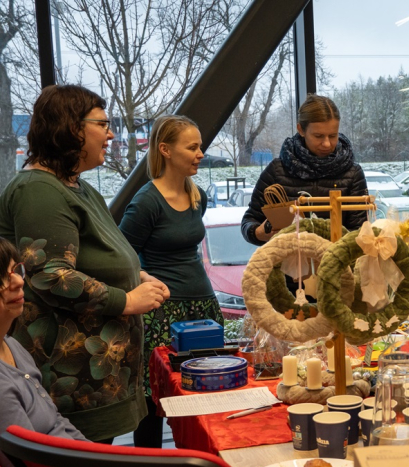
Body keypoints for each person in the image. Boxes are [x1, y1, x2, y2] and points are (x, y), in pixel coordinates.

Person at [0, 84, 169, 443]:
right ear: (71, 127)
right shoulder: (38, 189)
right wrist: (126, 300)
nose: (111, 134)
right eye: (102, 124)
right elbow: (48, 275)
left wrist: (134, 275)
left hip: (97, 380)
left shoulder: (77, 187)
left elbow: (96, 256)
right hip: (71, 383)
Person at [119, 115, 223, 448]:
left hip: (203, 308)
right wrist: (145, 279)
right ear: (165, 150)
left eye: (200, 146)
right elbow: (123, 258)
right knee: (154, 403)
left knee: (204, 396)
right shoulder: (147, 202)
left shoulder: (198, 196)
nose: (201, 153)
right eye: (192, 147)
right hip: (163, 314)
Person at [0, 237, 87, 466]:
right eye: (1, 278)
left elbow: (55, 422)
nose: (18, 282)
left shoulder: (12, 344)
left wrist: (95, 453)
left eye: (15, 270)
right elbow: (34, 458)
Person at [241, 94, 368, 246]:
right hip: (289, 266)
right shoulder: (277, 171)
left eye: (333, 135)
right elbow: (250, 220)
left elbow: (359, 232)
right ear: (301, 129)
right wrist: (259, 232)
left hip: (339, 266)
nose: (327, 143)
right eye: (318, 136)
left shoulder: (352, 173)